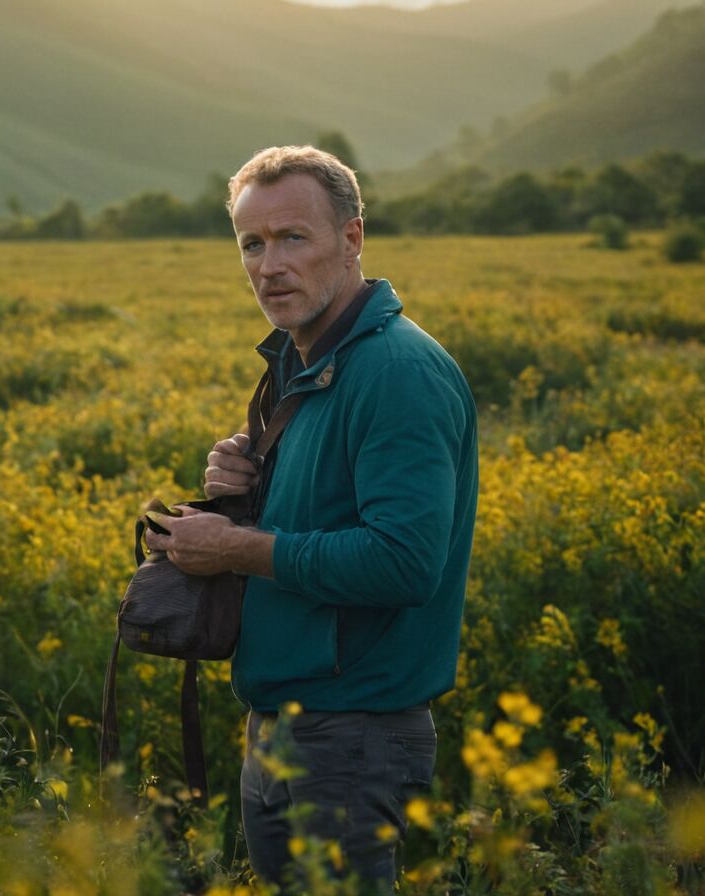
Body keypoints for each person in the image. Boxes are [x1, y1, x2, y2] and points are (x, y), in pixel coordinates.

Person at [144, 146, 478, 894]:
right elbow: (323, 510)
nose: (270, 266)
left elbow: (403, 562)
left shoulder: (395, 372)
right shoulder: (309, 361)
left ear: (352, 238)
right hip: (286, 720)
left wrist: (233, 547)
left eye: (293, 238)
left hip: (353, 730)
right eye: (252, 245)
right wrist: (244, 486)